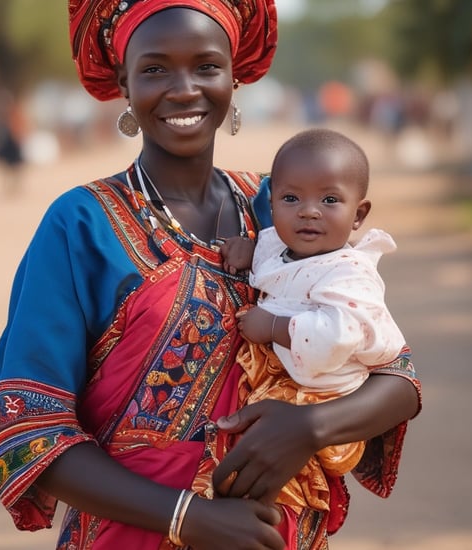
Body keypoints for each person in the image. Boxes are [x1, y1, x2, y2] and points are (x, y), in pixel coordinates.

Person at [0, 1, 421, 549]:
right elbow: (28, 429)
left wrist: (308, 428)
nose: (184, 88)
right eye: (155, 69)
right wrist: (188, 517)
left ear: (235, 76)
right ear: (123, 81)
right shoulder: (82, 225)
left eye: (206, 66)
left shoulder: (283, 208)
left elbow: (396, 373)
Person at [192, 128, 407, 523]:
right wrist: (248, 246)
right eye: (291, 199)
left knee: (269, 482)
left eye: (329, 200)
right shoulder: (282, 242)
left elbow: (337, 334)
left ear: (358, 214)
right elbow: (274, 257)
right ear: (271, 204)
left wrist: (273, 326)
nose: (309, 211)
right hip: (285, 382)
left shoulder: (348, 274)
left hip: (323, 397)